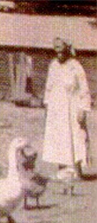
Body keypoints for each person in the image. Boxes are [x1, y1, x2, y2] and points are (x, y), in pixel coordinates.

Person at [43, 37, 91, 185]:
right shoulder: (53, 66)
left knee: (76, 137)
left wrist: (83, 108)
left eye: (62, 52)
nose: (59, 55)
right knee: (59, 138)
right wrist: (47, 104)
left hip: (72, 108)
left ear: (67, 51)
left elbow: (84, 89)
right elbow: (49, 88)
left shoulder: (75, 66)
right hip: (56, 109)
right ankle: (62, 171)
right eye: (56, 52)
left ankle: (78, 171)